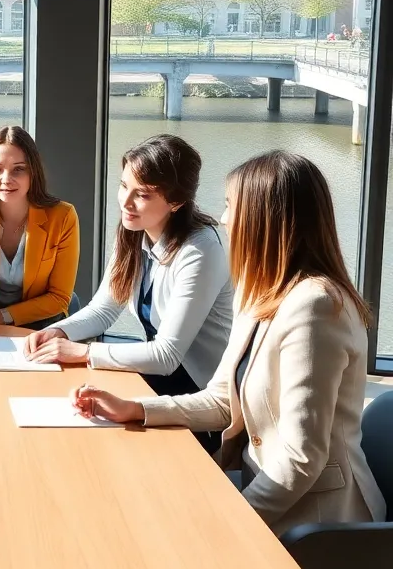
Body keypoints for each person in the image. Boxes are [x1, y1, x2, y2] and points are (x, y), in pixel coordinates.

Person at [72, 151, 386, 534]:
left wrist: (230, 520)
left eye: (230, 206)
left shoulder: (316, 306)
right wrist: (135, 409)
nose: (223, 218)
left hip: (320, 523)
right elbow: (222, 399)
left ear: (266, 219)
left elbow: (302, 458)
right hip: (266, 491)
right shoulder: (260, 293)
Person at [24, 135, 232, 451]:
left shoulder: (200, 251)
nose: (125, 201)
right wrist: (58, 331)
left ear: (176, 202)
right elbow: (104, 310)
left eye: (142, 194)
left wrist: (82, 352)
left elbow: (166, 355)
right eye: (124, 186)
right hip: (161, 383)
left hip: (200, 400)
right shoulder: (135, 232)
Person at [0, 126, 79, 345]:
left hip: (44, 325)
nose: (6, 179)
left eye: (18, 169)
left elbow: (59, 298)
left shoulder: (63, 217)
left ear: (33, 172)